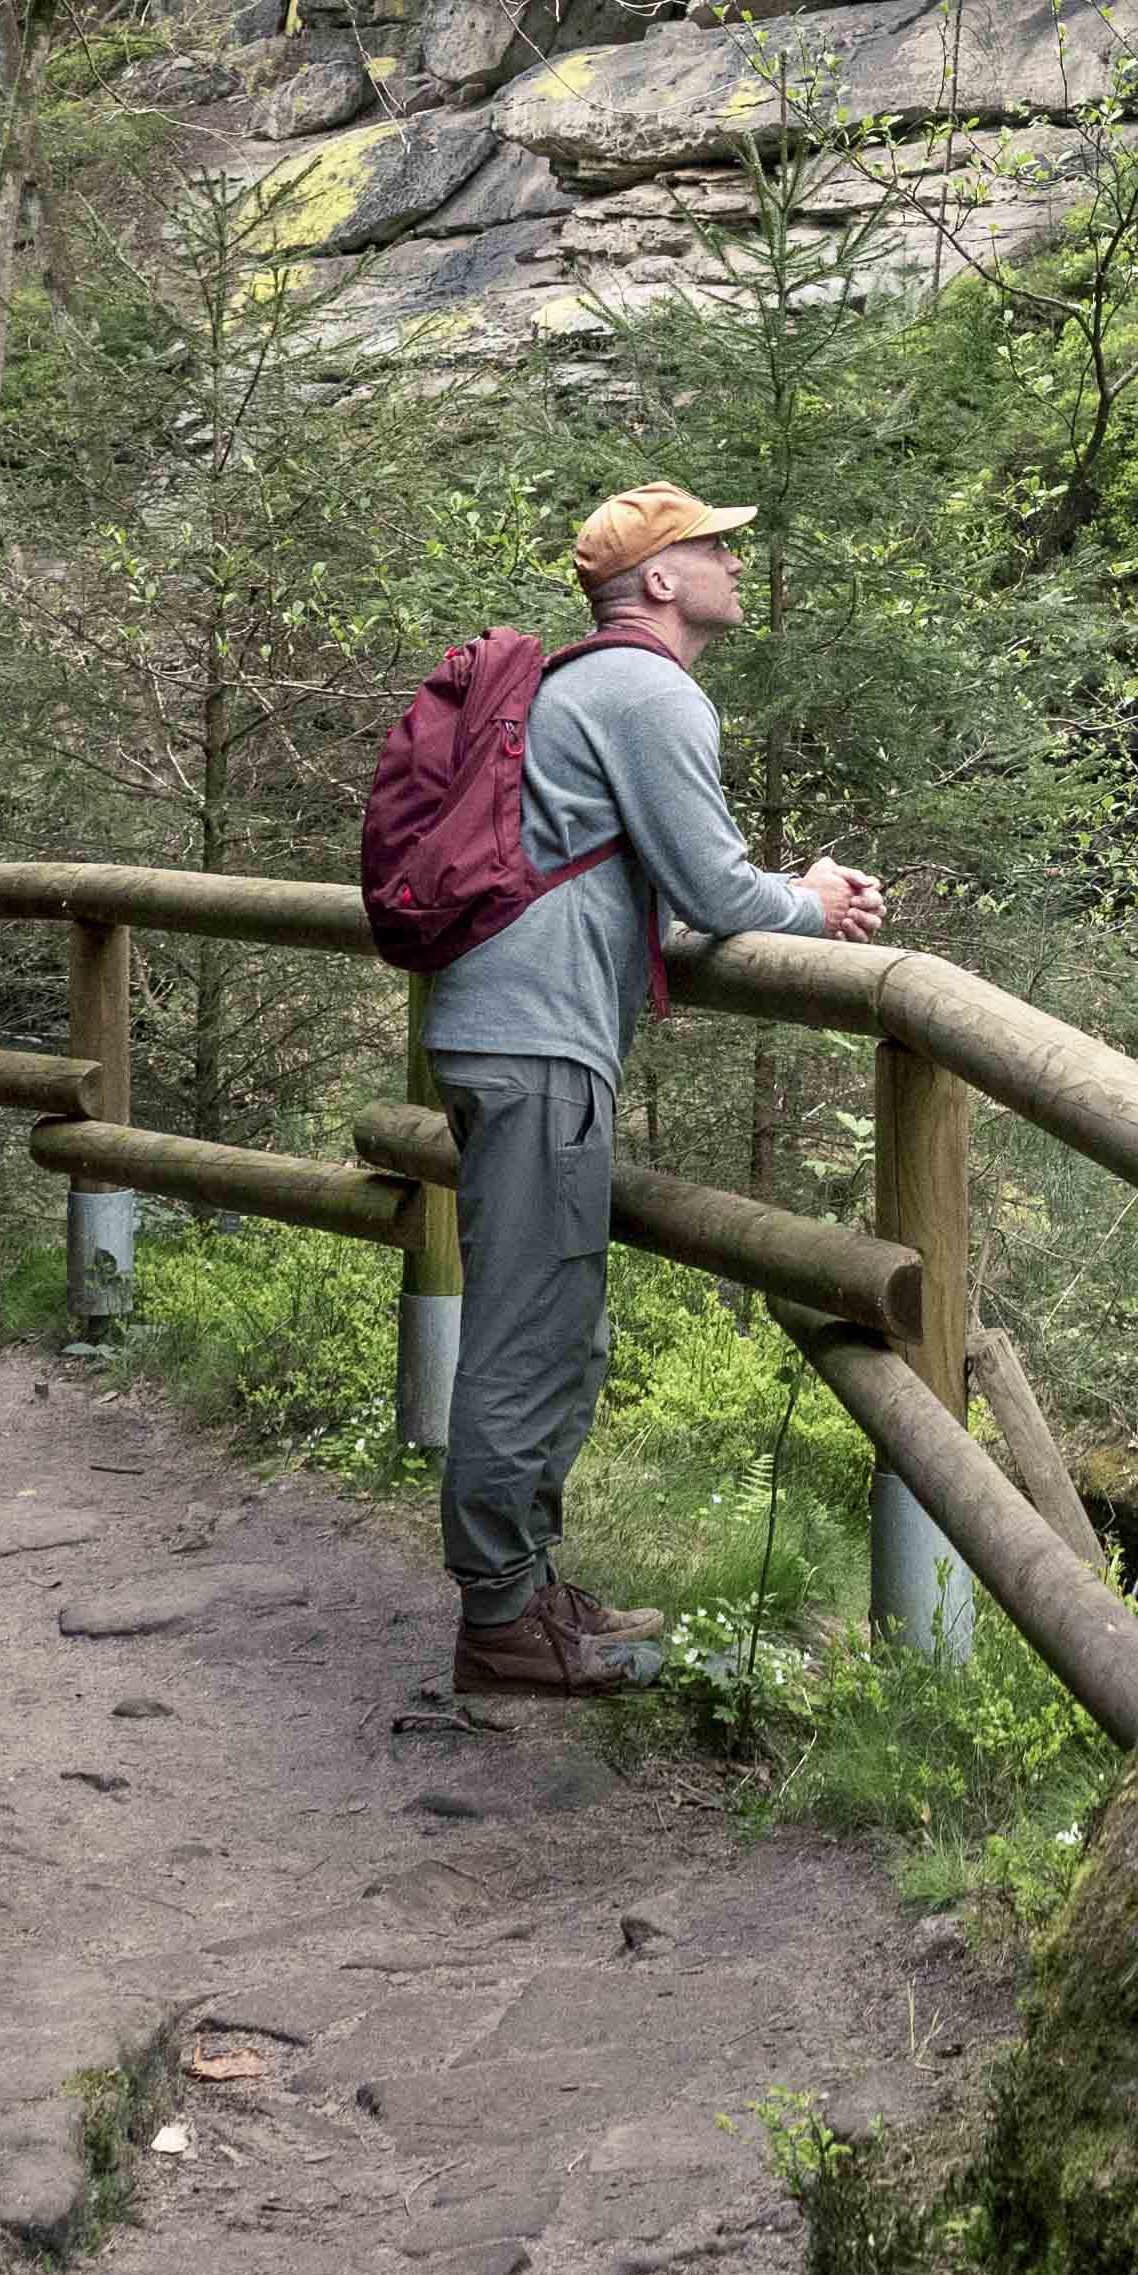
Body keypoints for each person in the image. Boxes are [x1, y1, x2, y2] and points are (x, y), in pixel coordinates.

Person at [416, 481, 885, 1696]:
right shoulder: (646, 688)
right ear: (663, 580)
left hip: (504, 1034)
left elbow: (674, 872)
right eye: (716, 544)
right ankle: (503, 1620)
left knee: (549, 1319)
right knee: (532, 1333)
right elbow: (718, 891)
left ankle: (524, 1588)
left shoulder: (587, 686)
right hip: (535, 1045)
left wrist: (788, 890)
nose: (736, 556)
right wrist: (819, 905)